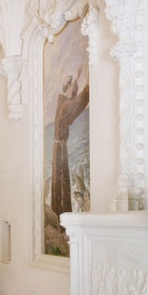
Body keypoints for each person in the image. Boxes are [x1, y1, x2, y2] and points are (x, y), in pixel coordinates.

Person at [49, 69, 89, 216]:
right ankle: (63, 216)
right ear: (68, 87)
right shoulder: (65, 106)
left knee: (61, 181)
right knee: (62, 182)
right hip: (60, 149)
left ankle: (60, 215)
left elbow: (73, 102)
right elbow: (77, 103)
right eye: (73, 87)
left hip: (59, 148)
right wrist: (88, 88)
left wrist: (77, 79)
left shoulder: (62, 103)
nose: (75, 90)